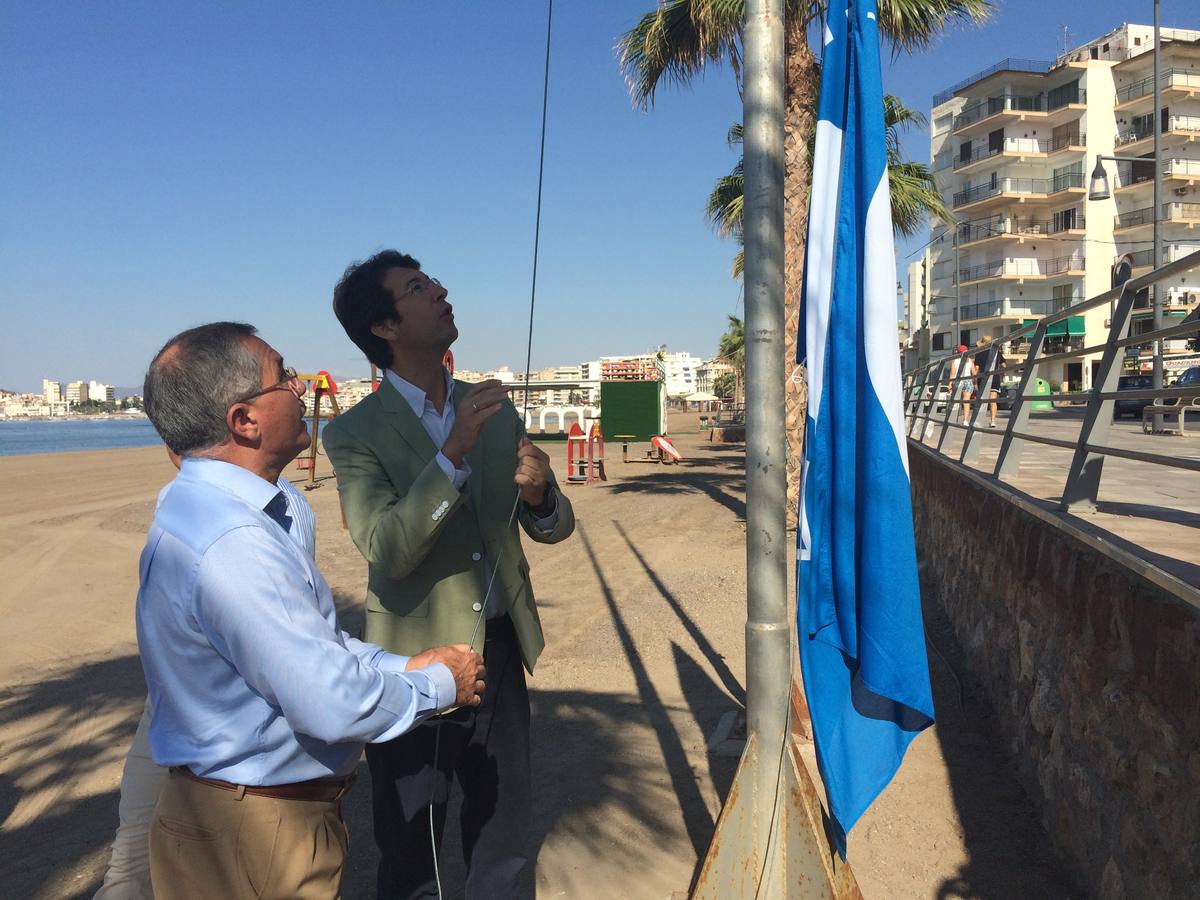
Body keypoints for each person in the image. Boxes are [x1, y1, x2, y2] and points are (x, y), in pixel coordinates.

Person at [134, 321, 486, 900]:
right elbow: (332, 704)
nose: (300, 388)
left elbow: (307, 639)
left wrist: (400, 666)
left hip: (235, 819)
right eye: (284, 378)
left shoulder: (205, 505)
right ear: (243, 420)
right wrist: (440, 685)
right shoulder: (234, 539)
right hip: (255, 833)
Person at [323, 251, 575, 900]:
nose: (440, 292)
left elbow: (551, 525)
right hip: (412, 660)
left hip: (500, 653)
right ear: (384, 328)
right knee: (412, 849)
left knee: (504, 839)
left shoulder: (493, 408)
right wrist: (452, 455)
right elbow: (386, 549)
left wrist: (544, 495)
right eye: (417, 288)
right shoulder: (354, 433)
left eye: (433, 281)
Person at [94, 460, 316, 900]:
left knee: (202, 862)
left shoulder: (288, 504)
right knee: (132, 860)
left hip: (229, 708)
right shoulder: (188, 497)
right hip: (177, 698)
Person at [974, 336, 1007, 428]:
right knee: (993, 400)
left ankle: (978, 421)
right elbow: (1004, 365)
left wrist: (975, 381)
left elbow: (976, 369)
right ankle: (992, 421)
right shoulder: (997, 352)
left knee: (982, 400)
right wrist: (1000, 372)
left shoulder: (979, 353)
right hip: (995, 377)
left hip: (983, 378)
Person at [949, 344, 974, 425]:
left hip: (958, 381)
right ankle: (965, 420)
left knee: (956, 401)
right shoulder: (970, 360)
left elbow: (952, 374)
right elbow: (974, 373)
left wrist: (949, 384)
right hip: (968, 380)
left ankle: (953, 419)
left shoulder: (955, 360)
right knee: (966, 401)